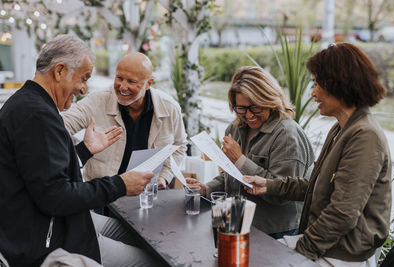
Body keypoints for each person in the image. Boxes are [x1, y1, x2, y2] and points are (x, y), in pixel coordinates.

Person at [0, 35, 158, 267]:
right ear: (60, 71)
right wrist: (120, 185)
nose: (84, 88)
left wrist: (84, 151)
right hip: (49, 243)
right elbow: (55, 196)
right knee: (151, 260)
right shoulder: (37, 115)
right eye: (83, 78)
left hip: (59, 223)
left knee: (138, 237)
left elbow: (40, 170)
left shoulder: (28, 104)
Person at [244, 43, 391, 266]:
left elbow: (342, 212)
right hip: (325, 246)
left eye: (317, 83)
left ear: (339, 83)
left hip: (342, 255)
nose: (313, 93)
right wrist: (269, 185)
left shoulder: (365, 136)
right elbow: (317, 186)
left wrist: (300, 250)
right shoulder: (342, 128)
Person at [187, 66, 315, 238]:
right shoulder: (234, 128)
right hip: (231, 217)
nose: (248, 115)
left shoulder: (286, 134)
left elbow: (283, 195)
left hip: (270, 231)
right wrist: (205, 189)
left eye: (255, 107)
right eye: (241, 108)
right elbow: (231, 176)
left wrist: (240, 160)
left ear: (269, 100)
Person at [62, 52, 187, 190]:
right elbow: (60, 126)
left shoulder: (169, 108)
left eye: (131, 81)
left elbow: (179, 146)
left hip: (149, 193)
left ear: (148, 84)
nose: (122, 87)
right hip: (106, 196)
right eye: (119, 78)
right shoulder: (96, 101)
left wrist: (164, 177)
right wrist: (81, 150)